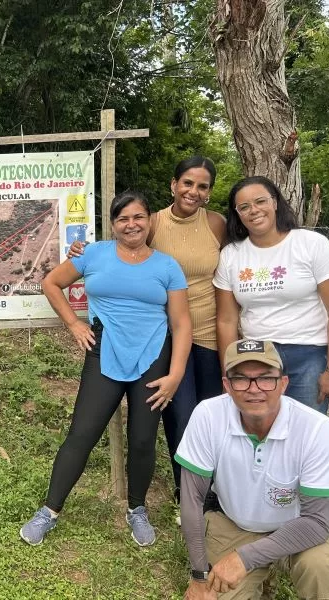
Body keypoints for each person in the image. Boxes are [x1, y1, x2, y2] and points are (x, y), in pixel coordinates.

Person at [21, 190, 192, 547]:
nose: (131, 224)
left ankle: (137, 509)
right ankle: (49, 511)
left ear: (149, 221)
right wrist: (73, 324)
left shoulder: (167, 266)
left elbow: (181, 323)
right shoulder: (93, 253)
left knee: (144, 439)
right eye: (123, 218)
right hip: (104, 351)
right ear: (113, 224)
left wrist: (175, 374)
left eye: (138, 217)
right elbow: (51, 283)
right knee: (82, 434)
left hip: (153, 356)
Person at [69, 156, 226, 506]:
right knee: (180, 417)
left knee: (214, 416)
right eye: (188, 183)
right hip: (168, 337)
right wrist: (81, 251)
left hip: (214, 332)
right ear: (174, 184)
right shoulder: (152, 222)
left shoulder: (217, 224)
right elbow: (125, 247)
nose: (193, 191)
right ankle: (187, 495)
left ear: (209, 192)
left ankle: (215, 491)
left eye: (202, 186)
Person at [176, 339, 329, 600]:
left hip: (297, 528)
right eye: (241, 379)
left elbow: (316, 522)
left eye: (266, 378)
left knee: (323, 573)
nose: (254, 389)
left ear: (283, 383)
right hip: (234, 523)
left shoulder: (316, 428)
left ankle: (263, 568)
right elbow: (191, 499)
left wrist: (243, 559)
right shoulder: (208, 415)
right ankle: (257, 577)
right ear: (226, 385)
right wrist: (200, 575)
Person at [214, 176, 329, 414]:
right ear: (237, 214)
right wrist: (229, 374)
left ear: (275, 202)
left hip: (308, 353)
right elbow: (227, 320)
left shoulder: (312, 244)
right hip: (255, 355)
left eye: (260, 201)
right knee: (258, 429)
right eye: (244, 207)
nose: (253, 210)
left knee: (305, 432)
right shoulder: (231, 255)